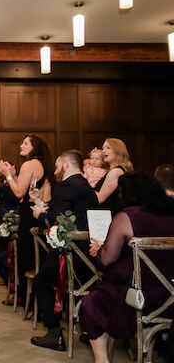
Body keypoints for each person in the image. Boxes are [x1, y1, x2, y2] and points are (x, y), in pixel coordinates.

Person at [81, 171, 174, 363]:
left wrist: (100, 249)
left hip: (136, 295)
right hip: (169, 295)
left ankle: (102, 360)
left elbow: (106, 259)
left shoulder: (127, 217)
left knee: (92, 302)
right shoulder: (170, 216)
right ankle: (146, 358)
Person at [29, 150, 99, 351]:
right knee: (87, 290)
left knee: (41, 283)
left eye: (58, 165)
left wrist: (38, 216)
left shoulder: (66, 186)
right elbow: (68, 214)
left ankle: (54, 334)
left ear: (66, 165)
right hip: (91, 253)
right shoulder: (86, 187)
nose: (55, 170)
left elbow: (57, 220)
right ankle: (92, 331)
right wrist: (40, 204)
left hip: (71, 252)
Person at [0, 134, 55, 304]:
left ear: (34, 147)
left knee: (25, 258)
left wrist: (7, 174)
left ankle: (27, 299)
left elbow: (19, 193)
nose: (21, 146)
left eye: (25, 143)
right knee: (35, 258)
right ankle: (32, 300)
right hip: (38, 211)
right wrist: (15, 176)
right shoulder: (42, 164)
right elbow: (26, 187)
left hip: (29, 214)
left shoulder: (29, 164)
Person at [0, 167, 20, 287]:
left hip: (12, 222)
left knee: (11, 254)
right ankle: (9, 280)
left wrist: (7, 182)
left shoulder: (15, 184)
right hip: (0, 223)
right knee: (3, 253)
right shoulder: (1, 187)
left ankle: (14, 283)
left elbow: (14, 198)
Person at [94, 138, 132, 214]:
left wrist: (82, 186)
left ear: (118, 150)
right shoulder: (113, 171)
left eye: (108, 148)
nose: (103, 151)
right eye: (103, 148)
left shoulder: (116, 171)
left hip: (111, 216)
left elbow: (99, 198)